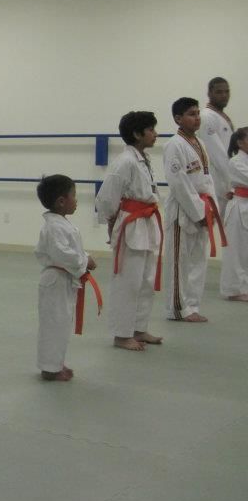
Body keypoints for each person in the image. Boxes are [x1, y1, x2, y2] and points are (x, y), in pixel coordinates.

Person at [95, 111, 164, 351]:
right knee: (127, 281)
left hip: (146, 220)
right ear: (137, 134)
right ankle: (121, 334)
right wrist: (111, 224)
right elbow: (107, 197)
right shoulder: (124, 162)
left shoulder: (142, 159)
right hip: (131, 224)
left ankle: (139, 327)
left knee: (145, 279)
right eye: (151, 130)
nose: (156, 134)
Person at [163, 97, 225, 323]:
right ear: (178, 119)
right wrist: (199, 212)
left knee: (199, 261)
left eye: (198, 113)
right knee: (180, 262)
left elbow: (208, 181)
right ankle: (177, 308)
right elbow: (179, 183)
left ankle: (192, 305)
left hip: (203, 207)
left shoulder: (200, 143)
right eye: (191, 114)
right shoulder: (174, 145)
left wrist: (211, 211)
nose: (197, 117)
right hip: (183, 211)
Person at [34, 175, 97, 382]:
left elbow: (71, 250)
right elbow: (63, 253)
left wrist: (83, 258)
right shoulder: (54, 227)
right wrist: (85, 261)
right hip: (56, 279)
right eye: (74, 196)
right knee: (54, 324)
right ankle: (50, 368)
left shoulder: (61, 224)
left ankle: (55, 363)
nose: (76, 200)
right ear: (61, 201)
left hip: (63, 279)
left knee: (61, 324)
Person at [221, 127, 248, 301]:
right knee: (237, 250)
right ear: (239, 142)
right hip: (239, 208)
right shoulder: (236, 161)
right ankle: (234, 290)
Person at [200, 78, 233, 218]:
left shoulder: (220, 115)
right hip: (220, 183)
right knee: (218, 230)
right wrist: (234, 182)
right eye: (219, 92)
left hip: (227, 181)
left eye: (227, 91)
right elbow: (218, 155)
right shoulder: (207, 117)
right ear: (209, 93)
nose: (224, 95)